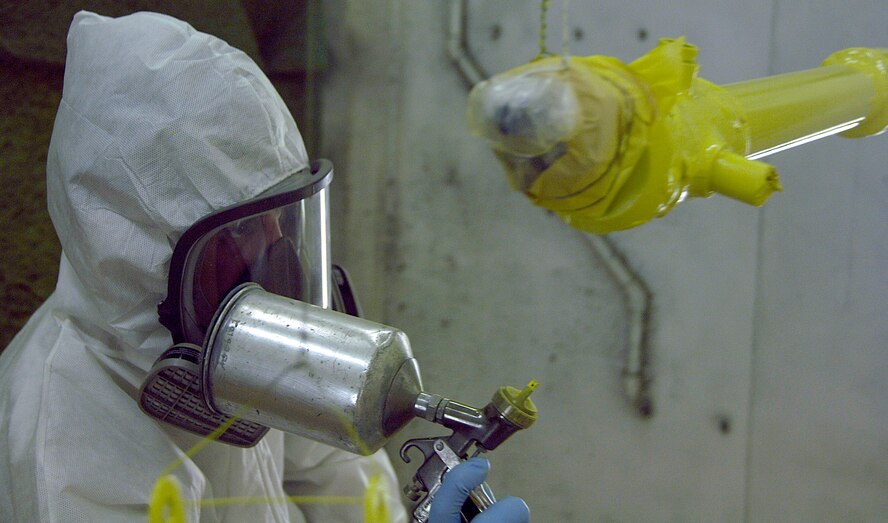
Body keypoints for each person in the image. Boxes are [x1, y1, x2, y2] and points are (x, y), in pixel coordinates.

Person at [0, 10, 530, 523]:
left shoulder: (237, 349)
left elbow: (349, 496)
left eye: (283, 218)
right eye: (246, 228)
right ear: (144, 250)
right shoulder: (67, 447)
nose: (278, 252)